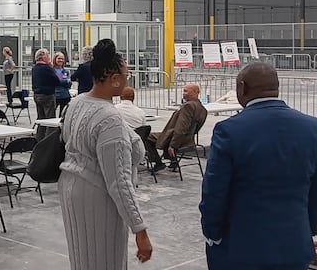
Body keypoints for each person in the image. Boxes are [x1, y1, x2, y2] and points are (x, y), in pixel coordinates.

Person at [199, 62, 317, 270]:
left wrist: (212, 233)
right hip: (294, 243)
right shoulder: (313, 127)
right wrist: (307, 228)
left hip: (241, 248)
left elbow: (215, 190)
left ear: (242, 87)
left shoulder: (229, 130)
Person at [58, 38, 151, 270]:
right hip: (98, 199)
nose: (128, 79)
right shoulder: (109, 118)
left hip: (71, 190)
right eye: (126, 75)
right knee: (105, 260)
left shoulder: (77, 103)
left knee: (82, 259)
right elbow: (119, 182)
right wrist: (140, 230)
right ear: (114, 79)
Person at [145, 83, 207, 172]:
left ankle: (158, 162)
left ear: (195, 92)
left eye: (186, 91)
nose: (183, 93)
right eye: (183, 91)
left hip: (177, 139)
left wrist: (173, 145)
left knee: (147, 136)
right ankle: (173, 160)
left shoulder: (188, 106)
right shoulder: (202, 109)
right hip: (189, 139)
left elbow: (181, 128)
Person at [31, 48, 70, 139]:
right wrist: (67, 83)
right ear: (43, 56)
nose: (49, 57)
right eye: (48, 55)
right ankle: (49, 140)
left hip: (37, 95)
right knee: (50, 120)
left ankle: (39, 138)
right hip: (47, 95)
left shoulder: (35, 68)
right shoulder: (47, 68)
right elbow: (56, 81)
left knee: (41, 118)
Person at [53, 52, 72, 117]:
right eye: (59, 58)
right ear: (55, 59)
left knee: (63, 115)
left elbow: (69, 84)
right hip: (54, 95)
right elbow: (53, 83)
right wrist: (64, 81)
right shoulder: (52, 70)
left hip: (65, 96)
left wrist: (59, 82)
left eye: (62, 59)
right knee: (51, 114)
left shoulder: (67, 71)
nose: (60, 60)